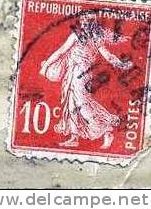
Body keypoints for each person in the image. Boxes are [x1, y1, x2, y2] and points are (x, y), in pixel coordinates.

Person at [40, 12, 133, 149]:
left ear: (91, 23)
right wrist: (120, 64)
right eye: (83, 20)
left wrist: (46, 64)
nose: (84, 23)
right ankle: (74, 137)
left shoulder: (79, 36)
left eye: (86, 21)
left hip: (79, 73)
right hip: (76, 73)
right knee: (72, 103)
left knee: (82, 105)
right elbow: (108, 56)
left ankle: (106, 130)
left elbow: (60, 52)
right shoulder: (95, 38)